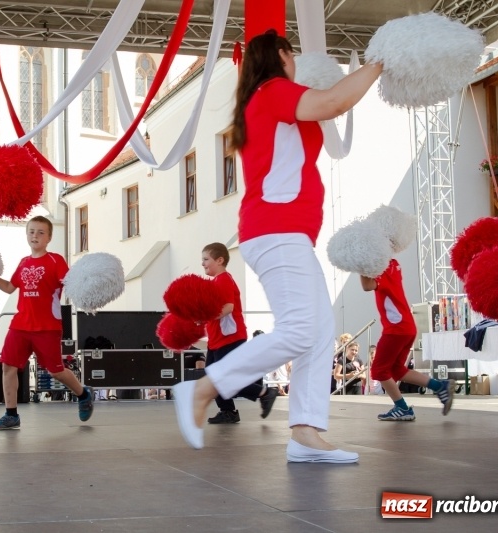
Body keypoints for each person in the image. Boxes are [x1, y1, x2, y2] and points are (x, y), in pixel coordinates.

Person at [171, 29, 382, 462]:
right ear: (283, 56)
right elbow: (334, 102)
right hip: (276, 231)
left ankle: (305, 432)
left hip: (284, 234)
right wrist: (381, 62)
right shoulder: (274, 91)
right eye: (293, 55)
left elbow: (324, 107)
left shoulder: (267, 99)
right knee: (302, 329)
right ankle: (204, 388)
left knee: (320, 331)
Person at [0, 216, 93, 430]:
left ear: (49, 238)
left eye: (40, 232)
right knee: (8, 367)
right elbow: (10, 287)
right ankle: (11, 414)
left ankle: (83, 394)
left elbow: (72, 284)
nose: (35, 236)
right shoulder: (23, 262)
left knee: (55, 371)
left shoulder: (56, 261)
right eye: (31, 231)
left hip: (47, 326)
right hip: (20, 325)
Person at [360, 259, 455, 421]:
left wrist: (359, 263)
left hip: (396, 328)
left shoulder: (381, 267)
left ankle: (402, 408)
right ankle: (440, 386)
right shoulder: (393, 264)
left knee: (378, 370)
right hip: (407, 326)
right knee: (397, 370)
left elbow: (367, 286)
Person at [201, 243, 277, 424]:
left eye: (206, 259)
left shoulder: (224, 280)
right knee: (213, 378)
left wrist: (205, 317)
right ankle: (228, 411)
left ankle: (264, 393)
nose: (203, 264)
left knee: (222, 378)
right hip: (218, 340)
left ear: (219, 260)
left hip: (229, 339)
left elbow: (228, 307)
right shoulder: (216, 282)